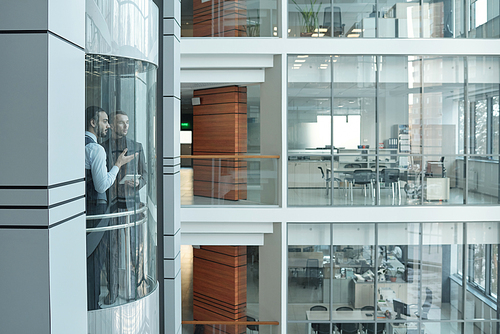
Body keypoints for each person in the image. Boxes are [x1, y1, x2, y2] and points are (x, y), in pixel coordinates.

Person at [85, 106, 136, 310]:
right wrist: (118, 164)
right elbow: (102, 185)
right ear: (93, 122)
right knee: (95, 259)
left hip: (88, 208)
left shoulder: (77, 143)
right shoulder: (96, 148)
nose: (107, 125)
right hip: (98, 209)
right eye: (105, 121)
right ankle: (92, 303)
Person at [103, 110, 148, 302]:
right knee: (112, 251)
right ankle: (113, 293)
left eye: (127, 122)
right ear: (112, 125)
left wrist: (138, 183)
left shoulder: (136, 146)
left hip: (132, 206)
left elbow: (145, 174)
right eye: (121, 123)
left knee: (135, 250)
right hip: (112, 207)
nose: (126, 126)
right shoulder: (103, 148)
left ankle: (136, 290)